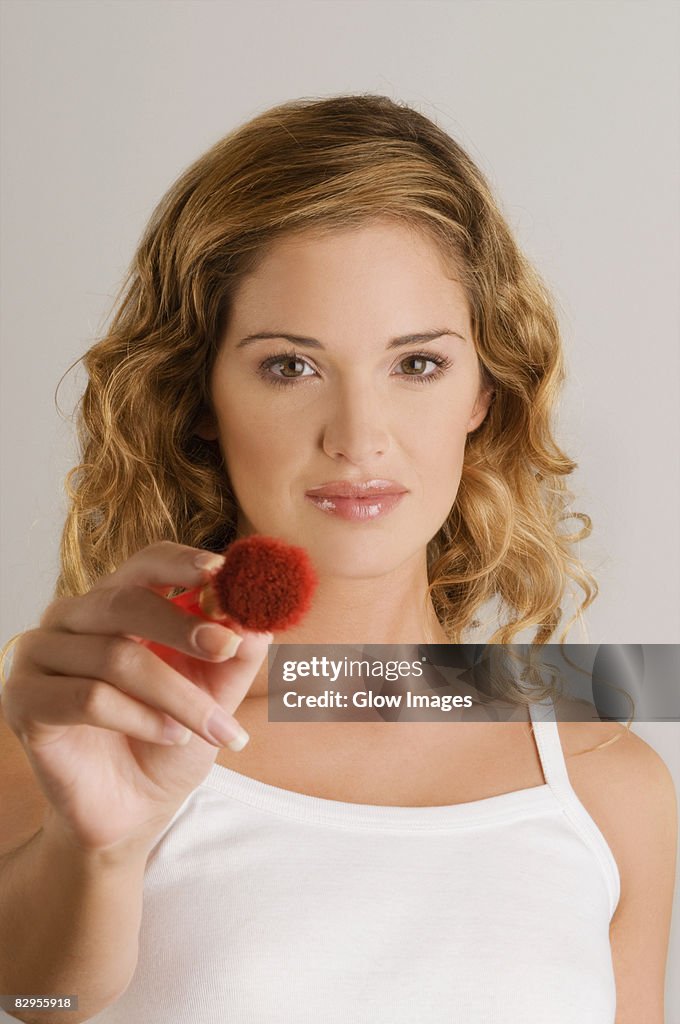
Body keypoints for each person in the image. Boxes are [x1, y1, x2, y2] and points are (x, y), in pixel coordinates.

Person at [0, 94, 675, 1024]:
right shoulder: (82, 729)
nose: (360, 438)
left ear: (485, 387)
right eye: (290, 365)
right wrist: (99, 851)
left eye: (417, 364)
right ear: (201, 393)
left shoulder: (609, 780)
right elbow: (35, 999)